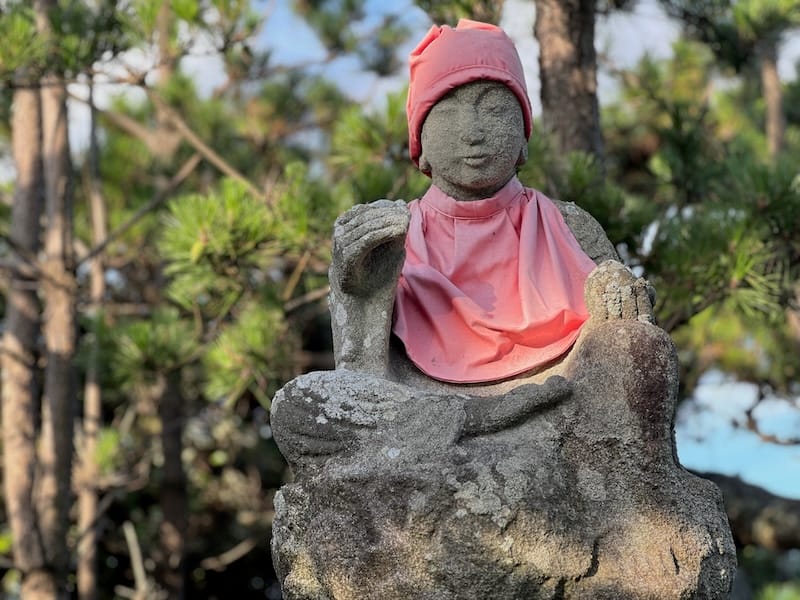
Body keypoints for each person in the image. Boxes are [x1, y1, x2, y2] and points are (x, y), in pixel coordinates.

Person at [330, 19, 653, 390]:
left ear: (524, 142)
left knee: (644, 349)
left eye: (495, 110)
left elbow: (619, 330)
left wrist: (622, 299)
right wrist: (359, 290)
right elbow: (361, 375)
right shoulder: (391, 234)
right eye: (449, 114)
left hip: (558, 395)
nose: (474, 133)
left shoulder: (567, 223)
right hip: (430, 403)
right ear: (420, 149)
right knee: (307, 402)